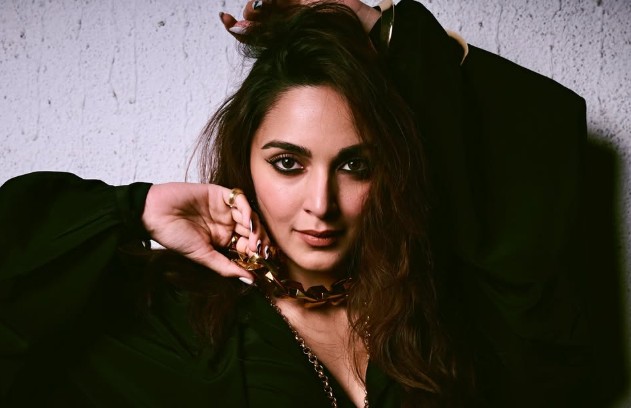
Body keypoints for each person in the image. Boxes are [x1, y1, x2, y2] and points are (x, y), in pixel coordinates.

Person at [0, 1, 590, 407]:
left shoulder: (435, 310)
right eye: (288, 163)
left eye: (355, 166)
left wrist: (377, 24)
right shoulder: (169, 320)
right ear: (245, 163)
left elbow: (541, 142)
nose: (320, 204)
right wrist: (136, 208)